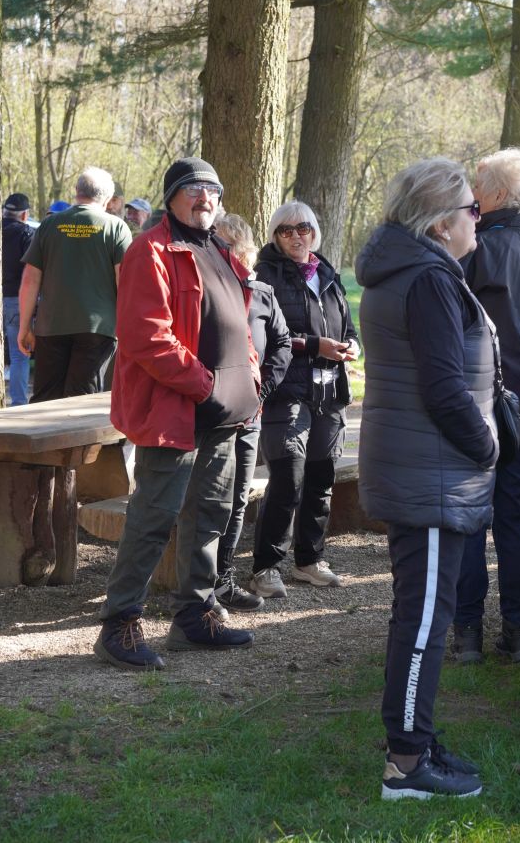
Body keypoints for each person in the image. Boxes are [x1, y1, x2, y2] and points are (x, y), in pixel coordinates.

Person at [356, 157, 497, 801]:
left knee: (418, 615)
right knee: (423, 622)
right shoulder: (428, 280)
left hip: (423, 466)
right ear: (441, 222)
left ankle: (418, 739)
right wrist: (488, 443)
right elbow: (443, 389)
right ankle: (407, 765)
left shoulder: (410, 269)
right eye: (471, 209)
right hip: (434, 472)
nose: (478, 220)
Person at [94, 157, 260, 671]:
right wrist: (205, 386)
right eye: (193, 190)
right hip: (177, 409)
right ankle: (118, 624)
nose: (204, 198)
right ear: (171, 197)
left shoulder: (220, 250)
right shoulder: (152, 250)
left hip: (224, 413)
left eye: (212, 190)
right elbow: (147, 336)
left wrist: (249, 379)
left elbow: (240, 325)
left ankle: (194, 615)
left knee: (209, 514)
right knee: (153, 518)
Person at [452, 148, 520, 665]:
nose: (472, 194)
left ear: (497, 194)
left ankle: (469, 631)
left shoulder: (476, 247)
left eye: (479, 184)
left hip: (485, 400)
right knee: (516, 515)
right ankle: (519, 630)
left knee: (476, 515)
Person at [249, 200, 359, 599]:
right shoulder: (266, 275)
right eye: (287, 230)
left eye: (305, 229)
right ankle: (265, 567)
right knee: (287, 479)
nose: (297, 236)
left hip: (330, 392)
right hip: (287, 391)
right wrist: (316, 346)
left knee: (321, 478)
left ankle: (309, 560)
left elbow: (347, 326)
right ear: (276, 235)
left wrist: (351, 346)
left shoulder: (327, 273)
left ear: (315, 232)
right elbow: (264, 337)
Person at [212, 213, 291, 612]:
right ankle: (196, 587)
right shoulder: (202, 289)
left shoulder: (261, 293)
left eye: (234, 250)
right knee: (206, 500)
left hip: (250, 415)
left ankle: (223, 579)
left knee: (237, 499)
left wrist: (265, 389)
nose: (228, 256)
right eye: (220, 248)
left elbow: (282, 344)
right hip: (208, 415)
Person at [17, 167, 132, 402]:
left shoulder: (49, 225)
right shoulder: (116, 228)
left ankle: (44, 439)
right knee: (82, 401)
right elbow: (125, 282)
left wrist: (24, 326)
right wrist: (128, 329)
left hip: (50, 327)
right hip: (98, 329)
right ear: (108, 199)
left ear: (76, 191)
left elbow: (30, 279)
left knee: (45, 400)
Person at [2, 193, 34, 405]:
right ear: (24, 215)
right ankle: (19, 405)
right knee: (19, 354)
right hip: (16, 300)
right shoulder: (26, 234)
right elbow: (32, 273)